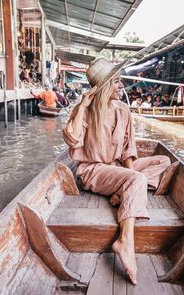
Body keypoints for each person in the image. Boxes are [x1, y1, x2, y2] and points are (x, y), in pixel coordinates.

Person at [63, 58, 172, 285]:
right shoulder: (86, 111)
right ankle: (125, 240)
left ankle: (123, 193)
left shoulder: (123, 110)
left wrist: (129, 177)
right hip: (93, 170)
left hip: (117, 167)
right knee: (137, 180)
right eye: (115, 82)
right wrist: (82, 105)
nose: (120, 86)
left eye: (120, 81)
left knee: (162, 161)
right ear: (103, 87)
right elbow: (73, 140)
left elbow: (129, 150)